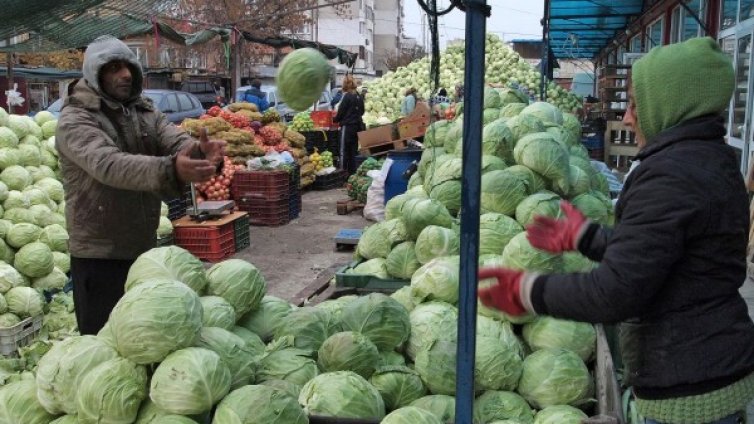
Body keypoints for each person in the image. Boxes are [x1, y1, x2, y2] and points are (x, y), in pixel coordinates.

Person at [478, 37, 754, 424]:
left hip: (690, 386)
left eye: (636, 104)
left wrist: (527, 290)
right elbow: (660, 256)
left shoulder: (672, 177)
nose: (627, 117)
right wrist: (586, 238)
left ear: (669, 105)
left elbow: (614, 293)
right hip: (709, 365)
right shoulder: (712, 161)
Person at [56, 35, 226, 335]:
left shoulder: (143, 111)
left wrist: (199, 153)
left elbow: (173, 139)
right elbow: (108, 164)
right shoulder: (75, 118)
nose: (124, 74)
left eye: (129, 68)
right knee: (104, 343)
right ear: (95, 74)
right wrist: (171, 169)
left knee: (145, 339)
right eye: (114, 68)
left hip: (143, 248)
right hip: (99, 254)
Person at [333, 75, 365, 175]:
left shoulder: (347, 96)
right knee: (353, 152)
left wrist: (335, 119)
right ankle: (352, 174)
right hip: (357, 127)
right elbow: (362, 111)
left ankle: (342, 174)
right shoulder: (359, 96)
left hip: (347, 128)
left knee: (344, 151)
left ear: (345, 85)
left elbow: (341, 112)